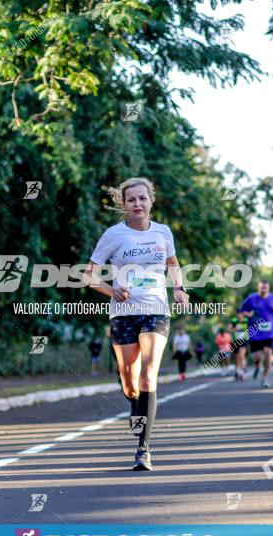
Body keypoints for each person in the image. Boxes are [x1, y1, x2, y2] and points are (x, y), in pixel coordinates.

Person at [84, 177, 189, 472]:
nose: (137, 204)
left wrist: (179, 288)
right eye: (131, 200)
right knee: (130, 385)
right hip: (123, 312)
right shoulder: (113, 235)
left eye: (142, 198)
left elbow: (173, 266)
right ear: (124, 204)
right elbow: (89, 276)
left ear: (151, 200)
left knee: (148, 375)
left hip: (156, 309)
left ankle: (143, 449)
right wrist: (111, 290)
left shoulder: (163, 232)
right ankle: (135, 403)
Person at [238, 279, 273, 388]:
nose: (263, 289)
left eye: (265, 287)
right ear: (258, 287)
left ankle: (265, 378)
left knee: (268, 353)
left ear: (268, 288)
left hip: (269, 332)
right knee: (258, 356)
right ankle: (257, 366)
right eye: (261, 287)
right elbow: (242, 311)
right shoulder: (251, 298)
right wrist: (248, 314)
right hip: (255, 332)